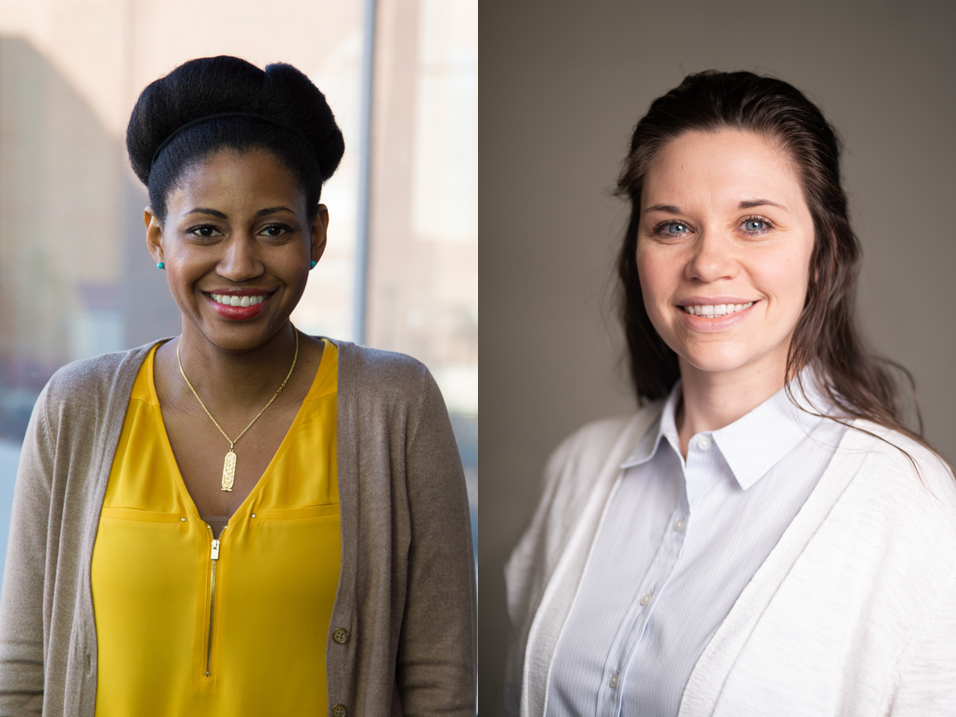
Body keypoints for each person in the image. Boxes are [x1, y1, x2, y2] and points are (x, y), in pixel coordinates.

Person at [0, 56, 476, 716]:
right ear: (156, 237)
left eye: (275, 228)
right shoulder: (75, 409)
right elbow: (23, 674)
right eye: (205, 229)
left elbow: (440, 683)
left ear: (317, 234)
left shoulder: (395, 406)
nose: (240, 263)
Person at [504, 71, 956, 717]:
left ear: (822, 253)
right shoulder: (577, 469)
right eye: (672, 227)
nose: (708, 263)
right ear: (638, 252)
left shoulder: (909, 506)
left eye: (754, 223)